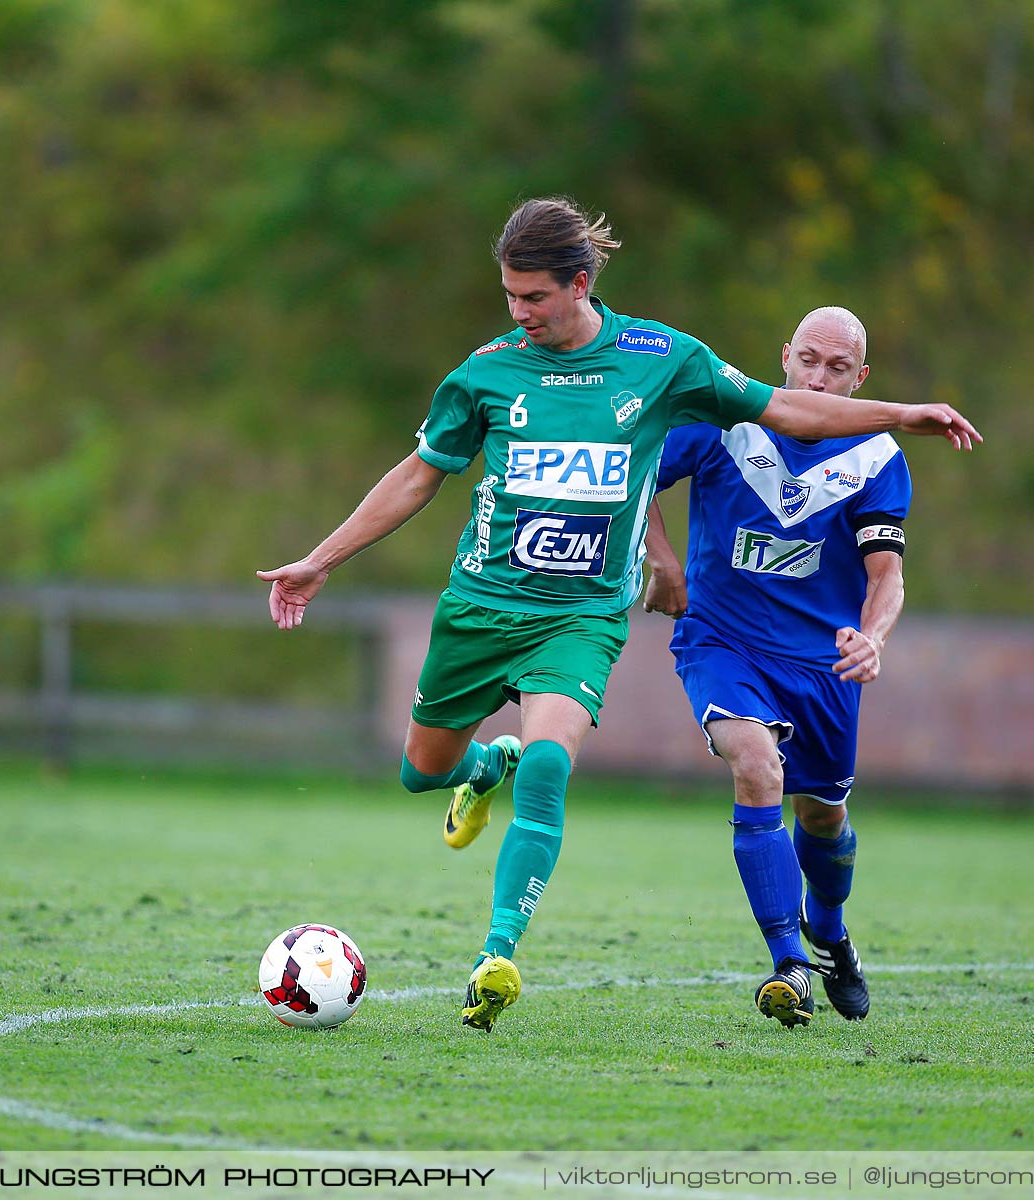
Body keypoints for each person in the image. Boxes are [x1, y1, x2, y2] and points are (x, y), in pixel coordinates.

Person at [258, 198, 979, 1033]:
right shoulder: (486, 371)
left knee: (556, 764)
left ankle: (498, 955)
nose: (518, 313)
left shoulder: (664, 359)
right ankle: (481, 769)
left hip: (583, 617)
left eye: (533, 297)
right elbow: (419, 476)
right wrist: (321, 559)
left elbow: (787, 411)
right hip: (482, 606)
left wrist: (903, 415)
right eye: (509, 297)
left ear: (581, 283)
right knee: (423, 769)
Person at [642, 305, 903, 1028]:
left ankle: (830, 933)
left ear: (862, 379)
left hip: (824, 667)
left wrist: (873, 636)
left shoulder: (875, 457)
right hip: (721, 643)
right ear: (785, 355)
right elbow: (634, 479)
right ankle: (789, 963)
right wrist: (660, 560)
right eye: (809, 360)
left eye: (838, 367)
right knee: (757, 764)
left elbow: (887, 574)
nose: (819, 376)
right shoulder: (726, 420)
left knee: (822, 814)